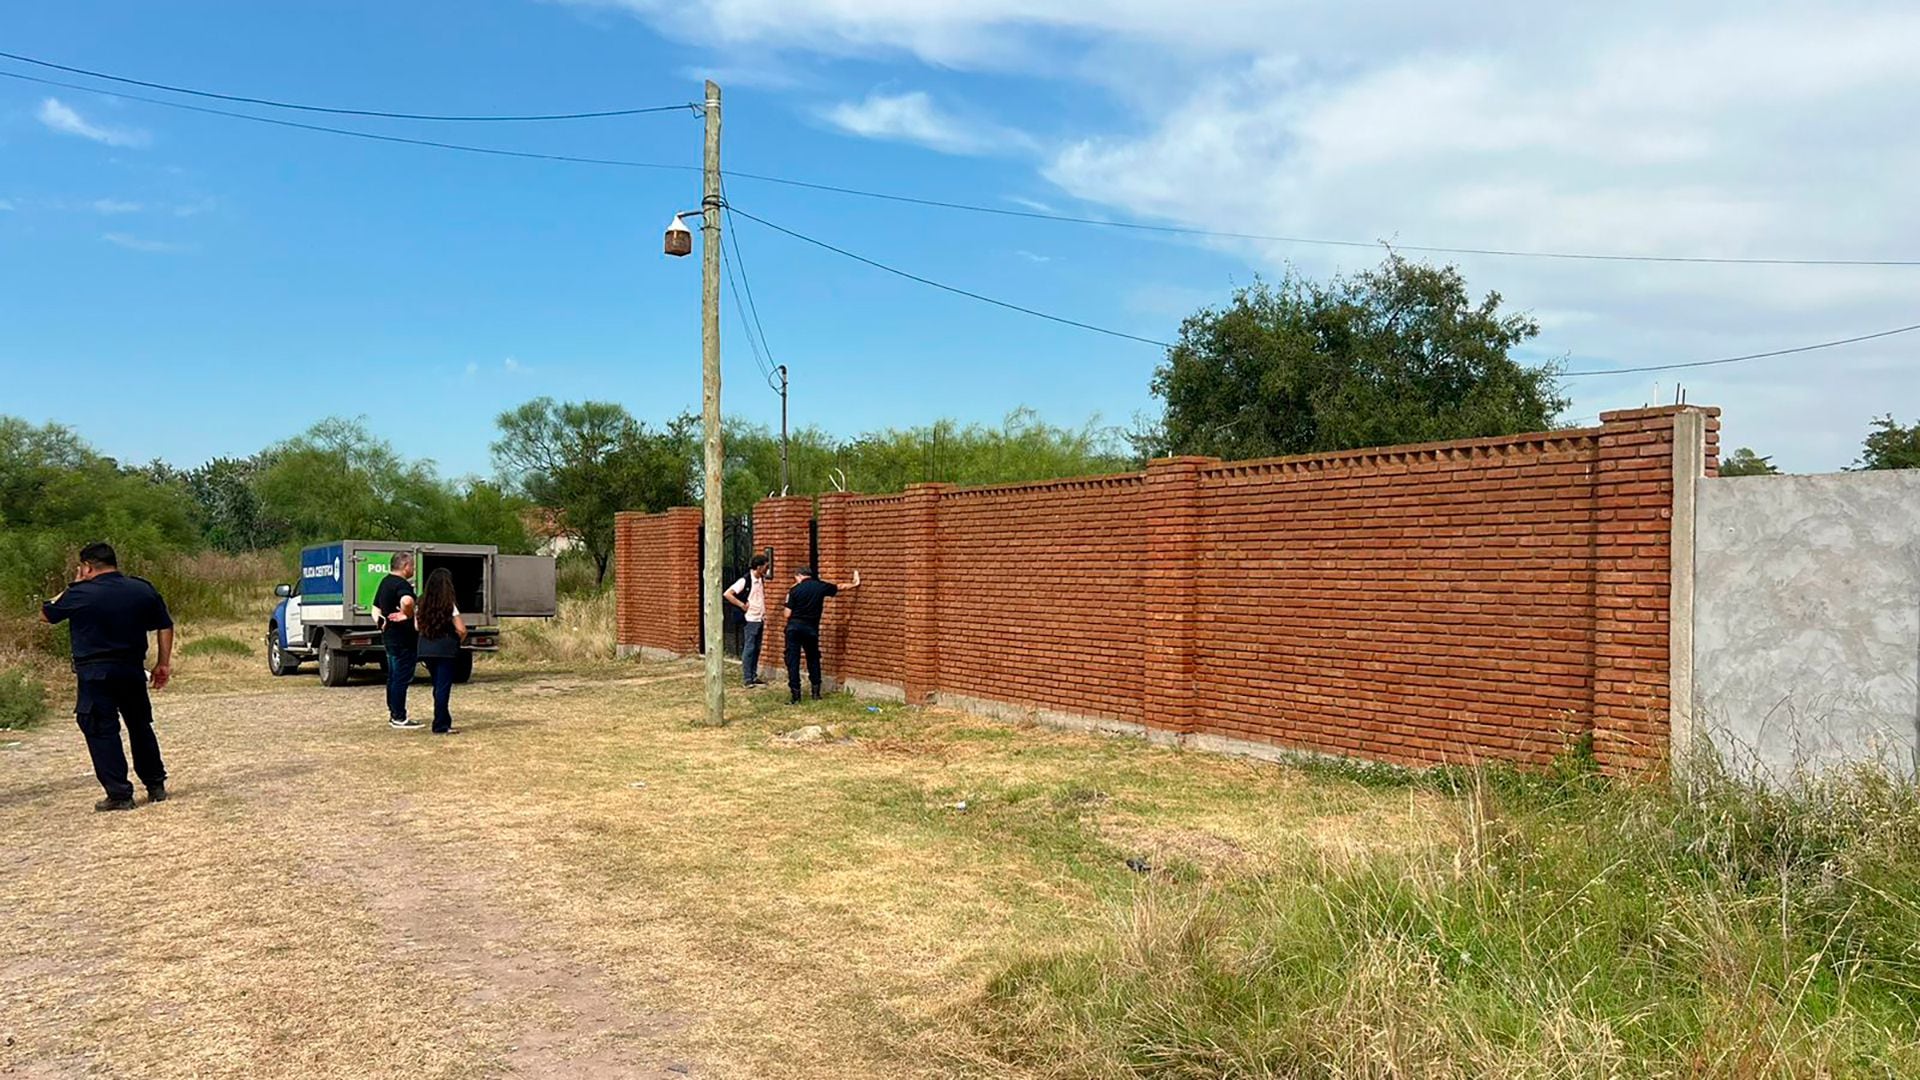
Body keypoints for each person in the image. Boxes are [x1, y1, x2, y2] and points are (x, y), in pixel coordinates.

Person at [38, 542, 174, 811]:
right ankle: (155, 784)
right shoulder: (141, 588)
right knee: (139, 725)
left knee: (101, 729)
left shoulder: (80, 593)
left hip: (94, 672)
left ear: (87, 566)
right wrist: (163, 664)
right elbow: (164, 624)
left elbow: (46, 614)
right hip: (131, 668)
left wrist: (73, 585)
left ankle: (120, 794)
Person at [782, 566, 861, 705]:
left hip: (794, 628)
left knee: (792, 660)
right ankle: (816, 692)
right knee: (813, 658)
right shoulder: (820, 586)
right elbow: (840, 587)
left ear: (799, 576)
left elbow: (787, 614)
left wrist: (788, 598)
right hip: (811, 629)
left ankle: (796, 696)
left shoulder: (794, 590)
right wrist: (855, 584)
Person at [413, 567, 468, 735]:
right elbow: (462, 629)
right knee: (443, 687)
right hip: (446, 650)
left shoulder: (421, 602)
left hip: (426, 649)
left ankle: (443, 720)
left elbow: (416, 626)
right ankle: (440, 724)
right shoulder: (449, 605)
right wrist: (456, 641)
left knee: (438, 686)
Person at [372, 551, 422, 730]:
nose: (414, 569)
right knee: (401, 677)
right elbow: (407, 601)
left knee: (393, 677)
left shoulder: (385, 582)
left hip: (389, 637)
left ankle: (393, 713)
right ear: (405, 566)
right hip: (404, 639)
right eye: (412, 566)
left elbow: (375, 607)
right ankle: (399, 717)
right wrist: (406, 614)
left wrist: (381, 622)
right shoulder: (402, 584)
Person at [724, 553, 772, 688]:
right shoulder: (745, 580)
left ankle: (753, 675)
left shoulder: (761, 580)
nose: (767, 570)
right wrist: (742, 605)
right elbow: (728, 593)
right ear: (759, 567)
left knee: (756, 648)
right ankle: (747, 678)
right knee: (749, 648)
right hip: (750, 618)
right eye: (765, 567)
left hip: (759, 617)